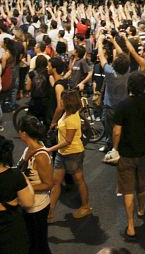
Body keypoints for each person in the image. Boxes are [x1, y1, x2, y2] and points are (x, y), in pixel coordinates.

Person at [112, 71, 145, 241]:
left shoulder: (123, 105)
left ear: (129, 86)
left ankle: (130, 225)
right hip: (143, 152)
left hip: (126, 153)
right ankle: (141, 209)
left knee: (127, 188)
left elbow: (117, 132)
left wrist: (115, 148)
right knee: (142, 182)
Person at [45, 88, 92, 221]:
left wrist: (51, 149)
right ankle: (51, 210)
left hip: (73, 154)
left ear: (67, 102)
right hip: (62, 154)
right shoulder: (66, 113)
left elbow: (68, 141)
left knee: (79, 181)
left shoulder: (71, 118)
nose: (60, 101)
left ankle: (86, 206)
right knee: (56, 182)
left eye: (62, 99)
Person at [17, 115, 53, 254]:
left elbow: (48, 184)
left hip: (37, 208)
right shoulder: (28, 149)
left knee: (38, 245)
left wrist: (26, 188)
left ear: (24, 133)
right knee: (32, 243)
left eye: (20, 130)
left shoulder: (41, 156)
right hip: (27, 205)